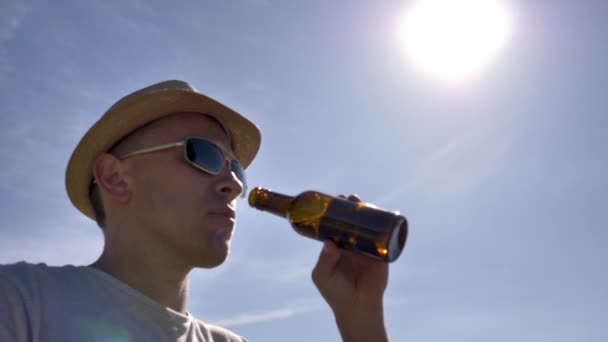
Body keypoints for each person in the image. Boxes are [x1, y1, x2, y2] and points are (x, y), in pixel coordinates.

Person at [0, 80, 390, 341]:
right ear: (115, 178)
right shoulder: (20, 302)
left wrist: (361, 318)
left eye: (235, 167)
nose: (234, 184)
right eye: (202, 154)